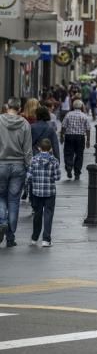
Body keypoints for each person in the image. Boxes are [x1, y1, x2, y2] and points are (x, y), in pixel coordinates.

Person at [0, 97, 32, 247]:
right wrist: (29, 166)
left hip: (1, 164)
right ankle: (11, 237)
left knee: (0, 197)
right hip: (18, 166)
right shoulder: (25, 124)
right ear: (19, 109)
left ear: (7, 106)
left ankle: (2, 221)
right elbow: (27, 150)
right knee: (14, 201)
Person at [27, 137, 60, 247]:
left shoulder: (34, 159)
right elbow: (57, 177)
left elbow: (29, 176)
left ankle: (34, 238)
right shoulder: (54, 161)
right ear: (50, 148)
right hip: (50, 192)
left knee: (37, 214)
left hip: (36, 192)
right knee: (48, 214)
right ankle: (46, 239)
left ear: (39, 148)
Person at [60, 99, 91, 180]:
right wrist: (88, 140)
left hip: (69, 136)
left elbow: (63, 126)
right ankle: (77, 172)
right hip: (80, 137)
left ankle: (69, 166)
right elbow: (88, 129)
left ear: (73, 106)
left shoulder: (68, 114)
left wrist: (61, 135)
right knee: (79, 155)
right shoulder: (84, 116)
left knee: (68, 152)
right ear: (81, 106)